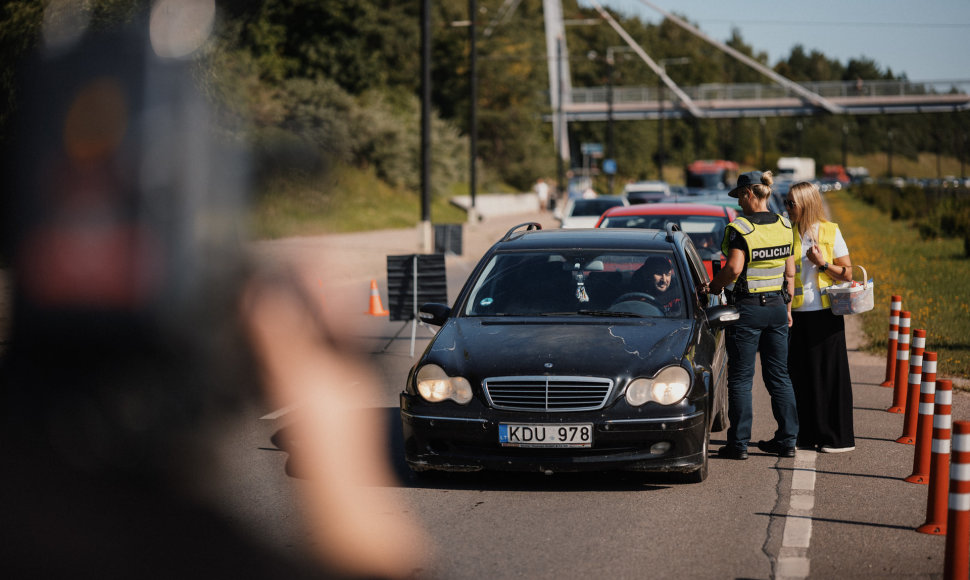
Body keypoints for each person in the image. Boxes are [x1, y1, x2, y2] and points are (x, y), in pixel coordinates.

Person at [703, 170, 799, 460]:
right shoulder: (784, 224)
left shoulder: (741, 229)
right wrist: (788, 309)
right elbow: (790, 271)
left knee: (742, 379)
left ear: (749, 194)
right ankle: (787, 440)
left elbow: (733, 268)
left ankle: (739, 444)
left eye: (740, 197)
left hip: (747, 309)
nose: (738, 205)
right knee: (779, 376)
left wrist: (712, 286)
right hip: (777, 309)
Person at [785, 181, 856, 453]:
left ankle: (837, 438)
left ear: (806, 204)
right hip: (796, 315)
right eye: (787, 202)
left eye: (792, 203)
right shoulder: (787, 231)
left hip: (826, 313)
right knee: (799, 376)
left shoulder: (830, 231)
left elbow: (847, 272)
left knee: (829, 376)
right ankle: (805, 435)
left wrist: (822, 264)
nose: (788, 207)